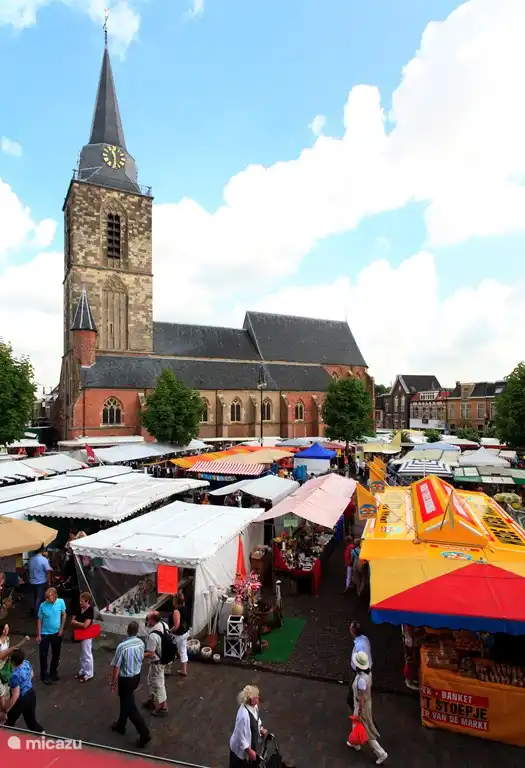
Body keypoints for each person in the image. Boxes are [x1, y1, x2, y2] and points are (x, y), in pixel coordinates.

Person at [110, 620, 151, 748]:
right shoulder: (140, 643)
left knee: (130, 707)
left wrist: (113, 682)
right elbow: (141, 657)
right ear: (137, 631)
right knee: (126, 701)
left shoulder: (122, 646)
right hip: (136, 677)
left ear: (127, 631)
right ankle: (121, 725)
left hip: (126, 679)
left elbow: (116, 666)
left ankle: (144, 733)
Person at [347, 651, 387, 764]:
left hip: (361, 706)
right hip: (365, 704)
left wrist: (360, 711)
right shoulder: (367, 674)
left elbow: (361, 697)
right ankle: (355, 742)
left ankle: (380, 752)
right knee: (357, 725)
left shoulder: (361, 680)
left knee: (365, 729)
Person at [5, 648, 44, 733]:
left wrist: (6, 709)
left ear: (13, 662)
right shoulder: (26, 663)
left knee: (8, 722)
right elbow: (31, 674)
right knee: (31, 721)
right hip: (31, 693)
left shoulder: (14, 676)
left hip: (21, 699)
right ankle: (43, 736)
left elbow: (15, 695)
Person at [229, 685, 268, 767]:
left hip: (251, 743)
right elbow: (241, 737)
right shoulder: (243, 716)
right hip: (239, 751)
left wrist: (260, 728)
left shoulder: (254, 706)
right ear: (251, 700)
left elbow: (256, 719)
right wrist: (249, 750)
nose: (258, 699)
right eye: (256, 697)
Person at [0, 623, 30, 722]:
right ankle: (4, 712)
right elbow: (2, 655)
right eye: (5, 628)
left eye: (8, 628)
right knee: (1, 693)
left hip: (5, 667)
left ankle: (4, 712)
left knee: (6, 690)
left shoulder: (7, 639)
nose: (7, 630)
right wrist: (13, 649)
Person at [37, 586, 66, 684]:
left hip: (56, 633)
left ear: (55, 596)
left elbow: (64, 614)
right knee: (43, 655)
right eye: (47, 598)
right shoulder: (42, 605)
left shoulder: (61, 602)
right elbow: (39, 620)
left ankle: (53, 672)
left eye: (49, 599)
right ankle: (44, 675)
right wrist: (38, 634)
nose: (47, 600)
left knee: (56, 654)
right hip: (45, 633)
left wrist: (62, 628)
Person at [143, 610, 169, 716]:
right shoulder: (164, 625)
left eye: (148, 618)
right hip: (164, 658)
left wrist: (140, 655)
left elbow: (151, 653)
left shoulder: (153, 636)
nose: (147, 620)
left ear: (152, 620)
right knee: (150, 678)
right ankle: (152, 701)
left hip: (157, 662)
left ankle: (164, 708)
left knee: (158, 684)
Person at [348, 621, 372, 709]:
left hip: (359, 674)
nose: (349, 629)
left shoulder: (359, 646)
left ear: (353, 630)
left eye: (350, 628)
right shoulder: (364, 639)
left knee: (352, 698)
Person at [71, 592, 95, 682]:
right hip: (80, 634)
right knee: (82, 654)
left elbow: (86, 625)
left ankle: (89, 673)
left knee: (87, 653)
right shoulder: (80, 608)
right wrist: (77, 622)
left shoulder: (90, 610)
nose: (80, 603)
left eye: (82, 601)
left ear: (87, 601)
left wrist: (77, 623)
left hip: (87, 635)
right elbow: (73, 619)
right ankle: (82, 671)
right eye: (80, 601)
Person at [168, 593, 190, 677]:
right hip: (185, 633)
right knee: (183, 650)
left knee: (169, 649)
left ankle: (167, 668)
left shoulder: (176, 611)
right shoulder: (185, 608)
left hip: (178, 634)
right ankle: (184, 670)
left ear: (175, 601)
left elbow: (176, 626)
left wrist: (168, 631)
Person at [28, 549, 52, 616]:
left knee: (33, 596)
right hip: (40, 581)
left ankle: (33, 610)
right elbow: (48, 571)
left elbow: (28, 569)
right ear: (41, 551)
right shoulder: (44, 560)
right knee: (39, 597)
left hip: (32, 581)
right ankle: (37, 613)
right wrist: (49, 581)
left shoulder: (31, 559)